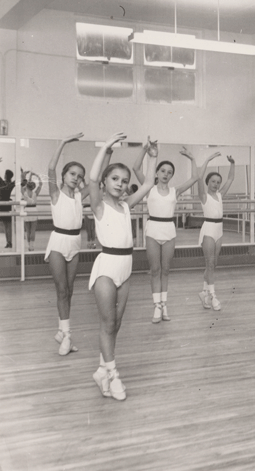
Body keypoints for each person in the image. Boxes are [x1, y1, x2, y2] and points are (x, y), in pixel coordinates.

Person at [88, 132, 157, 401]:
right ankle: (114, 375)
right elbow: (92, 179)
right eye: (115, 179)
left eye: (124, 181)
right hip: (106, 267)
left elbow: (149, 182)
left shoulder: (126, 205)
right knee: (107, 323)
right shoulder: (99, 205)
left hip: (125, 269)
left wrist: (153, 156)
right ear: (105, 182)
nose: (120, 184)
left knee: (115, 324)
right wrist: (106, 147)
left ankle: (102, 369)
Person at [132, 140, 202, 323]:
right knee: (155, 270)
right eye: (163, 171)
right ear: (156, 172)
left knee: (166, 270)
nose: (165, 174)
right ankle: (156, 306)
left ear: (172, 176)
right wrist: (145, 150)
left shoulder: (174, 191)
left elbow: (195, 177)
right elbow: (136, 168)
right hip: (153, 230)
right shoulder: (149, 188)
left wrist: (192, 158)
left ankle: (164, 305)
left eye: (169, 172)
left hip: (169, 230)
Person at [45, 133, 87, 356]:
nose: (75, 178)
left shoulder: (80, 196)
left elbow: (98, 181)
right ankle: (67, 336)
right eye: (72, 173)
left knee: (69, 291)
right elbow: (50, 169)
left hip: (75, 243)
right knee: (62, 290)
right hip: (58, 243)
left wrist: (108, 151)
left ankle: (62, 331)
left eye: (79, 176)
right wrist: (62, 142)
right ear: (64, 175)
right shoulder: (55, 193)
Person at [196, 152, 235, 312]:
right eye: (213, 181)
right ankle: (213, 295)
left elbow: (231, 179)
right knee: (210, 264)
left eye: (218, 182)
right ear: (207, 183)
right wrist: (207, 160)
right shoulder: (203, 196)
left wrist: (232, 164)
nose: (216, 184)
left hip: (219, 230)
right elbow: (198, 177)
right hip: (208, 230)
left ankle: (204, 292)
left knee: (214, 264)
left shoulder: (220, 195)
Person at [22, 170, 43, 251]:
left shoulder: (24, 192)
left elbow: (23, 184)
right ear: (33, 187)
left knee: (28, 230)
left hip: (26, 210)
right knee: (33, 230)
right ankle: (32, 246)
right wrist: (36, 175)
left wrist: (25, 176)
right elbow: (41, 184)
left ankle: (28, 246)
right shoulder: (35, 193)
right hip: (34, 210)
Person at [0, 163, 15, 249]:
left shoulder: (4, 183)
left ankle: (9, 242)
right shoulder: (9, 184)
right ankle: (9, 242)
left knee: (7, 226)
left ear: (6, 175)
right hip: (6, 205)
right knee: (7, 225)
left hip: (3, 205)